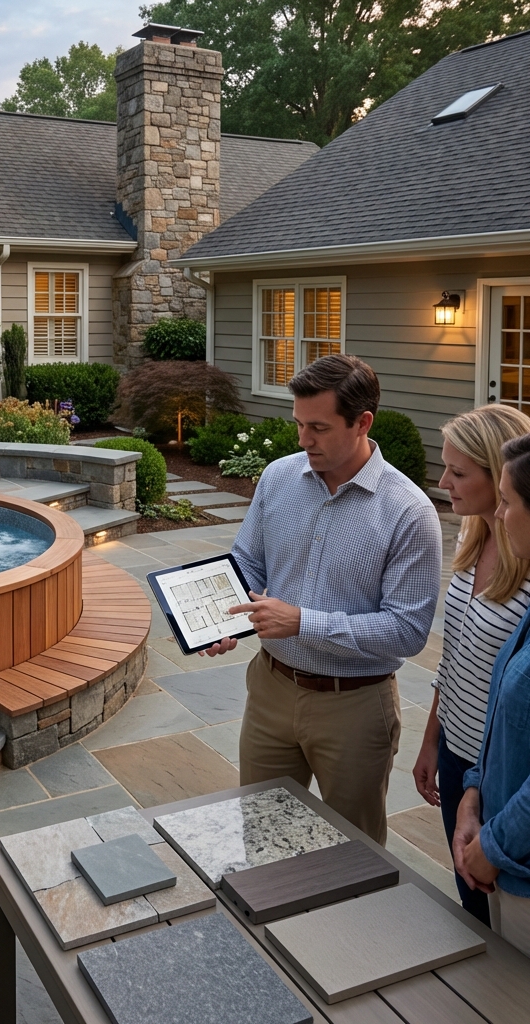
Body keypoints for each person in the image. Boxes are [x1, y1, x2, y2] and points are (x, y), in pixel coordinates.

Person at [205, 354, 442, 844]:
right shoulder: (278, 477)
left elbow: (408, 632)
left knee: (351, 854)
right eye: (298, 424)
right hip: (270, 691)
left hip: (353, 707)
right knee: (262, 833)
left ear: (362, 423)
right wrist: (219, 616)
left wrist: (303, 622)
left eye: (318, 427)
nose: (303, 439)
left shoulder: (409, 512)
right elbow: (248, 560)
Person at [413, 406, 530, 925]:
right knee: (471, 905)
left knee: (498, 916)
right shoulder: (472, 535)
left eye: (459, 473)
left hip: (503, 775)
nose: (444, 483)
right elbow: (456, 650)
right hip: (461, 761)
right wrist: (432, 737)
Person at [453, 433, 530, 957]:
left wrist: (494, 845)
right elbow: (504, 709)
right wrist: (474, 792)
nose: (498, 515)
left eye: (507, 502)